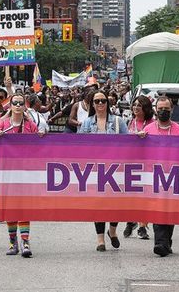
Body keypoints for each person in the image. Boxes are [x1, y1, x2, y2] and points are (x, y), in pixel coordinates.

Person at [138, 96, 179, 257]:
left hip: (173, 176)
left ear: (171, 110)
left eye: (166, 109)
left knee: (170, 210)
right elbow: (138, 153)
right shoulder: (147, 130)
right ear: (155, 109)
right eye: (160, 109)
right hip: (154, 177)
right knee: (157, 208)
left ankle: (166, 242)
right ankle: (160, 243)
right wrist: (138, 140)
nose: (163, 112)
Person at [0, 94, 46, 257]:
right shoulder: (3, 123)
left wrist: (40, 135)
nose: (17, 105)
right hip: (7, 172)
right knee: (11, 207)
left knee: (23, 207)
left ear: (24, 106)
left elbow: (39, 144)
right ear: (10, 106)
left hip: (26, 172)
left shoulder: (30, 124)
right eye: (14, 103)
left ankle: (25, 241)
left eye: (20, 103)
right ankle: (12, 242)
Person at [79, 91, 128, 251]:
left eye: (103, 100)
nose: (100, 104)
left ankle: (112, 231)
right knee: (98, 204)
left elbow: (129, 143)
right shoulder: (86, 123)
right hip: (95, 170)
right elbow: (79, 146)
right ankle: (100, 239)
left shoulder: (118, 121)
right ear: (92, 104)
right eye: (97, 101)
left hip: (115, 169)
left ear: (108, 103)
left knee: (116, 204)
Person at [123, 95, 154, 241]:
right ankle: (131, 219)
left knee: (145, 195)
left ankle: (142, 226)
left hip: (148, 164)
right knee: (132, 195)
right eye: (134, 105)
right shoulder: (129, 122)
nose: (135, 108)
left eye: (139, 105)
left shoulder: (153, 124)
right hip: (131, 163)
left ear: (145, 108)